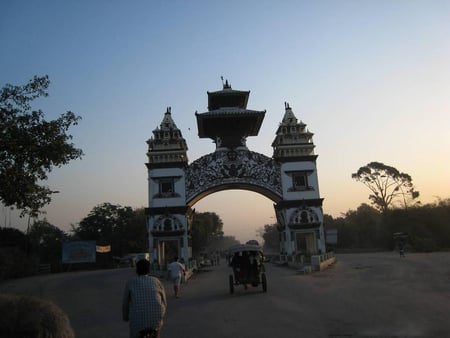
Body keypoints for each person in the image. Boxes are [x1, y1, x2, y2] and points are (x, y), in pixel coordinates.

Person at [122, 259, 167, 338]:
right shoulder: (156, 281)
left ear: (137, 269)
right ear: (149, 270)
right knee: (157, 332)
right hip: (156, 319)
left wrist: (125, 317)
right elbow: (164, 302)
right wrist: (160, 314)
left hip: (137, 322)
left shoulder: (130, 282)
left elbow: (125, 303)